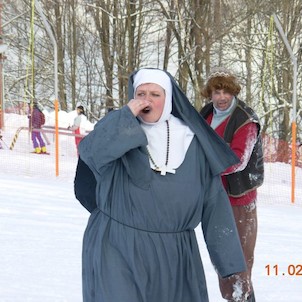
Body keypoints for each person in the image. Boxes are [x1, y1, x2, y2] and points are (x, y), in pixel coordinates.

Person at [74, 68, 247, 302]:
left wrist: (231, 267)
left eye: (155, 94)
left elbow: (214, 205)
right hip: (117, 245)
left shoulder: (191, 139)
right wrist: (125, 116)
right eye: (141, 93)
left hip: (175, 254)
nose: (147, 100)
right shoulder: (117, 129)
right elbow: (90, 153)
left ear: (168, 99)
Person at [200, 67, 264, 302]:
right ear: (210, 94)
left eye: (226, 91)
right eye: (217, 92)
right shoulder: (206, 114)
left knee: (239, 262)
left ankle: (242, 298)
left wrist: (203, 164)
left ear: (234, 92)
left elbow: (237, 159)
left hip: (239, 200)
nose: (222, 97)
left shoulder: (245, 119)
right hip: (214, 197)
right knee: (222, 258)